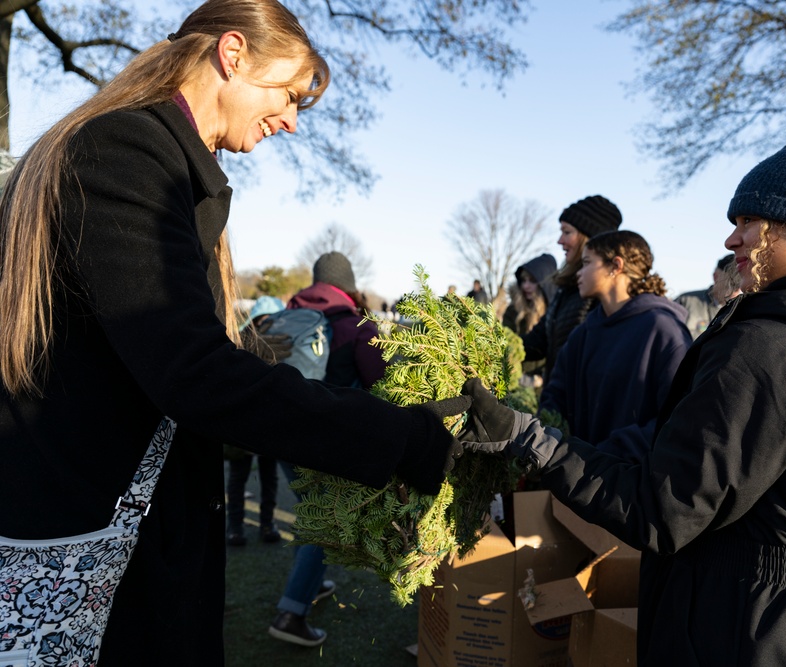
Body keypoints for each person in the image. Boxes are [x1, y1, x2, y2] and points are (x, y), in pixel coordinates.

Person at [0, 2, 467, 664]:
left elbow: (152, 348)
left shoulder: (157, 161)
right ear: (233, 54)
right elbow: (191, 372)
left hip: (121, 534)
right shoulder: (126, 154)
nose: (291, 121)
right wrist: (405, 441)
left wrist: (260, 352)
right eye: (287, 94)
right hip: (93, 542)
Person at [458, 123, 786, 665]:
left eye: (751, 221)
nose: (732, 240)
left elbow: (664, 509)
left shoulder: (776, 346)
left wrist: (533, 442)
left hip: (770, 635)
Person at [268, 250, 388, 646]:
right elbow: (379, 383)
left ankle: (310, 584)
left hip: (282, 434)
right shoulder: (357, 325)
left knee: (309, 510)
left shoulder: (286, 315)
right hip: (330, 441)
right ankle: (291, 613)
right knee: (329, 523)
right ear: (348, 284)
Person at [539, 231, 690, 461]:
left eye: (587, 262)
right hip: (577, 479)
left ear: (615, 266)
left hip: (632, 483)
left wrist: (609, 454)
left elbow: (679, 419)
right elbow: (554, 395)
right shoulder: (583, 334)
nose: (579, 272)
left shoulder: (663, 329)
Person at [521, 195, 622, 383]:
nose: (560, 240)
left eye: (567, 232)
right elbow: (537, 342)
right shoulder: (565, 289)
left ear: (589, 239)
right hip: (555, 404)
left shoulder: (605, 296)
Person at [225, 296, 286, 546]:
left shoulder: (239, 338)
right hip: (262, 421)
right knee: (261, 476)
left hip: (245, 420)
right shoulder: (273, 337)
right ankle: (261, 525)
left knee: (245, 476)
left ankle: (238, 528)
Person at [502, 253, 557, 388]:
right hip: (515, 382)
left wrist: (541, 377)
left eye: (532, 281)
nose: (526, 286)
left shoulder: (554, 312)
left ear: (545, 284)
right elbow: (507, 342)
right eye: (523, 280)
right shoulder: (513, 311)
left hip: (544, 386)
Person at [675, 254, 740, 338]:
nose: (735, 291)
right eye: (731, 284)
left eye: (739, 286)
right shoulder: (685, 301)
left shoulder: (743, 311)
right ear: (716, 276)